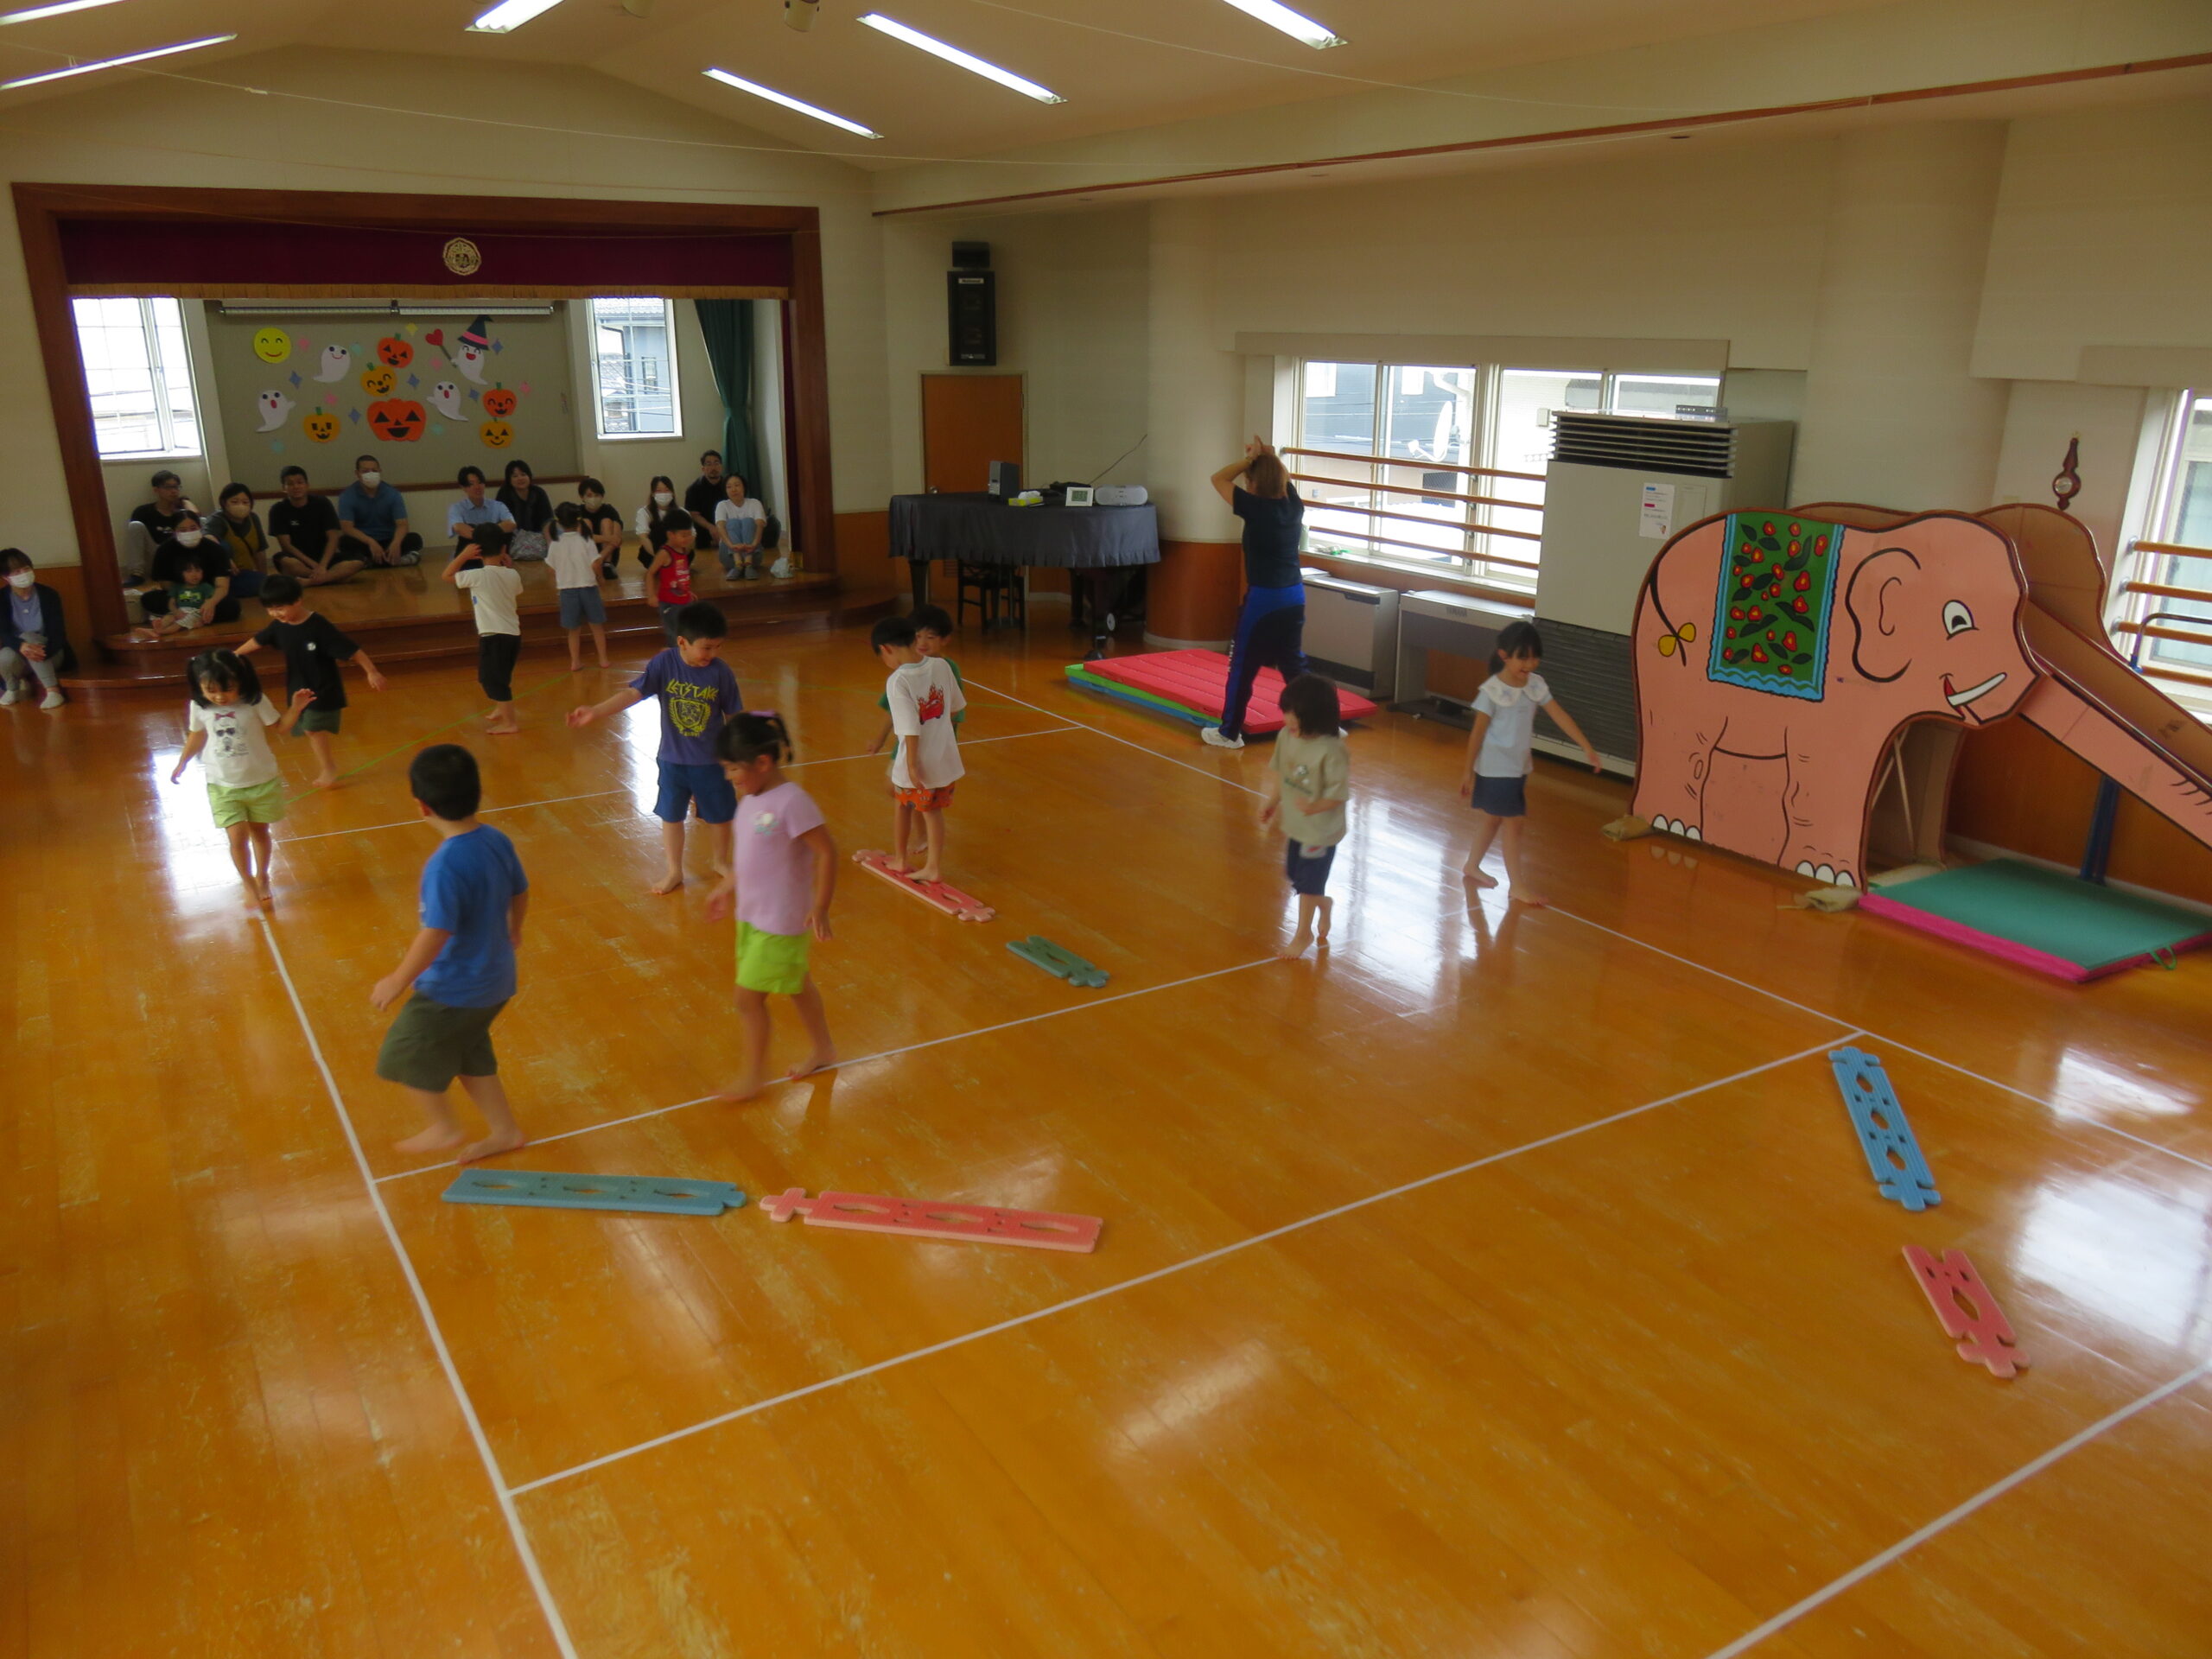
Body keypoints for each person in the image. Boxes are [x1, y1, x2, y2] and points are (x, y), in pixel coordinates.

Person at [369, 744, 530, 1165]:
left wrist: (398, 979)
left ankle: (444, 1126)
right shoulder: (496, 840)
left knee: (404, 1051)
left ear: (422, 806)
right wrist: (515, 928)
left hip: (455, 989)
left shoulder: (445, 866)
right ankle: (505, 1131)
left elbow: (436, 932)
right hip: (495, 981)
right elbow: (520, 889)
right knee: (468, 1053)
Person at [705, 712, 837, 1099]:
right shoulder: (751, 799)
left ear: (762, 762)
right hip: (752, 917)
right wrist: (725, 887)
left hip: (781, 922)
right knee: (797, 984)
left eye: (733, 768)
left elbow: (827, 852)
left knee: (747, 1000)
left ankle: (752, 1077)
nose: (729, 777)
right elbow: (751, 857)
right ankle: (824, 1048)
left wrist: (821, 906)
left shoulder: (792, 802)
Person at [569, 602, 743, 895]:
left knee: (720, 815)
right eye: (706, 648)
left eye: (718, 647)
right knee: (671, 815)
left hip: (712, 761)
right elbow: (633, 693)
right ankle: (674, 870)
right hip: (672, 761)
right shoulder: (664, 664)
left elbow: (734, 714)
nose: (712, 654)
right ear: (682, 642)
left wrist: (736, 753)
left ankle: (720, 861)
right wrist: (596, 711)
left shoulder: (721, 672)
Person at [1459, 620, 1602, 906]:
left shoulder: (1535, 685)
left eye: (1535, 657)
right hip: (1496, 769)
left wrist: (1586, 746)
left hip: (1518, 767)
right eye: (1522, 657)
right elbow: (1477, 734)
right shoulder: (1492, 691)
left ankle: (1472, 865)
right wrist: (1467, 772)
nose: (1530, 663)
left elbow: (1559, 715)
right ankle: (1517, 886)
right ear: (1504, 655)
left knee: (1494, 818)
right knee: (1515, 824)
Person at [168, 649, 314, 911]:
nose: (220, 697)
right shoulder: (199, 706)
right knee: (236, 837)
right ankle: (248, 883)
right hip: (222, 785)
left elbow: (280, 727)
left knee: (260, 832)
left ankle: (262, 876)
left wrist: (295, 708)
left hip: (261, 780)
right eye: (211, 690)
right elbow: (197, 734)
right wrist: (183, 761)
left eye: (228, 689)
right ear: (200, 686)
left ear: (241, 681)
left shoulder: (254, 701)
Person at [1201, 436, 1308, 751]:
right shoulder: (1294, 506)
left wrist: (1250, 460)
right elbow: (1284, 480)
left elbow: (1218, 479)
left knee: (1242, 666)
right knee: (1293, 664)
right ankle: (1321, 725)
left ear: (1254, 482)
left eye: (1249, 481)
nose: (1246, 485)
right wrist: (1271, 459)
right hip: (1294, 595)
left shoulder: (1256, 507)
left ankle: (1229, 733)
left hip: (1265, 599)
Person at [236, 572, 387, 789]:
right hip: (298, 688)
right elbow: (258, 640)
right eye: (270, 609)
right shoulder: (279, 625)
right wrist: (235, 655)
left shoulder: (319, 626)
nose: (275, 613)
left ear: (298, 600)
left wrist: (372, 672)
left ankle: (329, 768)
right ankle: (328, 766)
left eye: (280, 608)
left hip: (322, 687)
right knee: (310, 730)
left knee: (312, 730)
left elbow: (352, 649)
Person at [1259, 673, 1351, 959]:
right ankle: (1324, 903)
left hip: (1321, 830)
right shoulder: (1286, 736)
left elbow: (1339, 794)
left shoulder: (1332, 750)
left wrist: (1315, 807)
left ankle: (1303, 934)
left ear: (1315, 717)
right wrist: (1272, 802)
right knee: (1296, 877)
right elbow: (1283, 774)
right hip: (1297, 825)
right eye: (1286, 712)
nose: (1288, 721)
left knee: (1309, 883)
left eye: (1295, 716)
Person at [873, 613, 966, 887]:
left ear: (886, 649)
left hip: (915, 761)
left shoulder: (898, 680)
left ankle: (910, 862)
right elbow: (956, 708)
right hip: (944, 757)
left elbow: (909, 728)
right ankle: (921, 864)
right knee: (927, 809)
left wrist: (912, 766)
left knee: (907, 806)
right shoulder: (942, 665)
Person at [443, 526, 523, 737]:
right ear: (504, 548)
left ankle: (509, 723)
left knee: (490, 679)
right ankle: (500, 708)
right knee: (501, 675)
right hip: (513, 635)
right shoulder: (513, 574)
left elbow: (447, 575)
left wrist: (463, 556)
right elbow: (516, 590)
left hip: (493, 636)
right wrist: (507, 567)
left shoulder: (477, 576)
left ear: (476, 550)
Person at [136, 512, 240, 628]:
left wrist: (211, 602)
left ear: (200, 527)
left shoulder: (215, 549)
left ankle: (181, 617)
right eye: (183, 530)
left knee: (231, 607)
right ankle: (194, 617)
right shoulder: (164, 550)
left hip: (208, 593)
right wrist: (184, 596)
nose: (189, 533)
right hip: (180, 594)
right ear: (174, 531)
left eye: (193, 528)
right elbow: (165, 584)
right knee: (148, 599)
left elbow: (222, 586)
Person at [268, 466, 365, 588]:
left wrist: (323, 565)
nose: (296, 487)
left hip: (325, 558)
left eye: (300, 482)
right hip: (299, 559)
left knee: (358, 561)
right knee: (286, 562)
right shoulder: (278, 509)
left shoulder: (322, 503)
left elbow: (333, 537)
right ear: (284, 488)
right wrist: (315, 566)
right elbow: (286, 545)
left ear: (307, 485)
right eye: (290, 484)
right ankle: (334, 577)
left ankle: (312, 581)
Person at [0, 548, 71, 709]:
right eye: (17, 572)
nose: (24, 574)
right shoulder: (2, 598)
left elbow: (58, 633)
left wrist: (38, 651)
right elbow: (4, 633)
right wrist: (21, 646)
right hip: (19, 653)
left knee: (30, 637)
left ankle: (53, 691)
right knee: (4, 656)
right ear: (5, 577)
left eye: (26, 569)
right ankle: (12, 689)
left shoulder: (49, 595)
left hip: (50, 652)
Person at [546, 501, 610, 671]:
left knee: (573, 630)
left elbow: (551, 569)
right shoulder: (586, 540)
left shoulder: (555, 544)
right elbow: (596, 564)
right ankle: (603, 659)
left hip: (567, 591)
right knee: (597, 626)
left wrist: (561, 578)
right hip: (588, 587)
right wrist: (601, 579)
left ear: (559, 522)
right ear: (578, 520)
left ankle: (575, 661)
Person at [335, 454, 422, 569]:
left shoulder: (392, 494)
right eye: (365, 471)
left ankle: (369, 562)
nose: (371, 474)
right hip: (364, 542)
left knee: (415, 539)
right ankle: (394, 561)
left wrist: (396, 543)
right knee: (344, 542)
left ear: (380, 471)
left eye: (374, 470)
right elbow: (347, 528)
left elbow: (402, 524)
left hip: (388, 540)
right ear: (357, 473)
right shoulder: (348, 496)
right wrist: (371, 542)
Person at [122, 468, 196, 586]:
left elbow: (197, 518)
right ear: (156, 490)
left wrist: (185, 501)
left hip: (180, 553)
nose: (174, 491)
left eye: (176, 487)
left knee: (202, 521)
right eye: (168, 487)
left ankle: (195, 569)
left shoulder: (182, 512)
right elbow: (136, 538)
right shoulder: (143, 511)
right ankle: (136, 574)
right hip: (157, 553)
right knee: (135, 525)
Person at [141, 546, 222, 639]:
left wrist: (203, 618)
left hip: (195, 613)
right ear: (181, 574)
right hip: (180, 611)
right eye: (189, 571)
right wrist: (176, 612)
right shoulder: (177, 587)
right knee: (168, 618)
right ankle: (157, 628)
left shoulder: (205, 587)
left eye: (198, 570)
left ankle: (161, 632)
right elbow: (171, 603)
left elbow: (208, 604)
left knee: (178, 624)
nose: (194, 574)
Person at [646, 515, 700, 646]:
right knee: (675, 636)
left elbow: (680, 575)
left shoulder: (683, 549)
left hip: (684, 601)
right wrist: (651, 595)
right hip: (670, 604)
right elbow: (650, 573)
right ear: (671, 534)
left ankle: (684, 656)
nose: (687, 538)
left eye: (689, 534)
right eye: (683, 535)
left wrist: (687, 592)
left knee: (687, 634)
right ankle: (675, 656)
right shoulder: (665, 553)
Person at [209, 483, 269, 601]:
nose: (240, 506)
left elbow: (260, 550)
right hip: (224, 575)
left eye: (245, 502)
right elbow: (208, 538)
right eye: (234, 502)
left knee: (268, 582)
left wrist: (265, 578)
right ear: (224, 503)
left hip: (245, 572)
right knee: (224, 546)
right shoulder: (217, 519)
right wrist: (225, 558)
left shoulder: (253, 518)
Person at [445, 465, 517, 556]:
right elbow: (459, 528)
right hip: (471, 553)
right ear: (463, 487)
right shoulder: (457, 508)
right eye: (471, 484)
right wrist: (492, 531)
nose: (477, 487)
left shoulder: (498, 506)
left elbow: (511, 524)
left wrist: (482, 531)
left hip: (494, 553)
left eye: (480, 482)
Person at [496, 460, 554, 563]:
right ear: (509, 479)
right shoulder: (504, 494)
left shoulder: (538, 492)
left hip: (538, 538)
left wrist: (551, 545)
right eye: (515, 476)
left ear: (529, 476)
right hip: (513, 540)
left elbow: (547, 521)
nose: (520, 478)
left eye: (523, 474)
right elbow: (502, 523)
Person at [713, 473, 767, 582]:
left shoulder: (755, 503)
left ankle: (748, 563)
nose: (733, 489)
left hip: (754, 554)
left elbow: (760, 525)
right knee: (732, 522)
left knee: (748, 521)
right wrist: (732, 546)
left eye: (737, 485)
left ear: (744, 487)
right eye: (729, 487)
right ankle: (738, 563)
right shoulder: (722, 505)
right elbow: (720, 527)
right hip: (729, 556)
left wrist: (753, 545)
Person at [576, 475, 626, 579]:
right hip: (586, 556)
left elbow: (617, 539)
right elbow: (583, 537)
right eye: (589, 495)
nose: (593, 498)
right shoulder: (578, 512)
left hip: (608, 554)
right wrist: (608, 538)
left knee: (606, 522)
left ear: (602, 496)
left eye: (597, 495)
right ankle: (589, 564)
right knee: (586, 522)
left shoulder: (610, 510)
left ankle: (607, 565)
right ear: (582, 497)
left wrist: (600, 559)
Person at [633, 474, 678, 569]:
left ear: (672, 493)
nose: (663, 494)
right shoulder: (644, 512)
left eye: (667, 490)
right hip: (653, 552)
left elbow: (690, 537)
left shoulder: (681, 512)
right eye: (659, 491)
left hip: (676, 552)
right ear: (653, 494)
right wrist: (658, 557)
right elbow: (644, 537)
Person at [683, 450, 727, 542]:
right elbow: (693, 514)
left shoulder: (729, 485)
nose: (713, 468)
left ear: (721, 466)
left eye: (716, 463)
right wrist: (711, 527)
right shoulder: (693, 489)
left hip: (726, 525)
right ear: (703, 468)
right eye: (709, 464)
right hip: (704, 528)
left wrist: (721, 528)